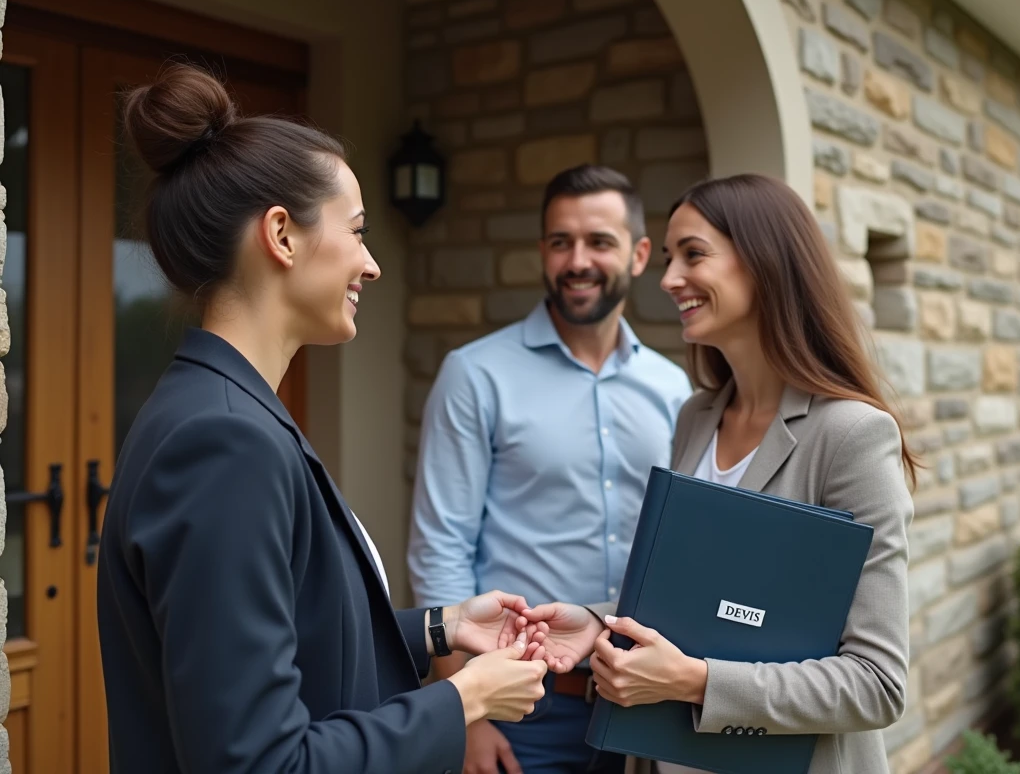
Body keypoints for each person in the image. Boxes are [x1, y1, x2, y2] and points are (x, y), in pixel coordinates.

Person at [95, 63, 549, 774]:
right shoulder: (223, 442)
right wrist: (463, 700)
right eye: (359, 231)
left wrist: (441, 627)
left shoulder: (232, 410)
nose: (371, 264)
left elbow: (296, 639)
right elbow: (258, 762)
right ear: (281, 234)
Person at [518, 173, 917, 774]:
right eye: (671, 256)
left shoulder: (851, 437)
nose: (671, 277)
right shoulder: (696, 416)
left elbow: (877, 682)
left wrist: (696, 681)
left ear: (766, 263)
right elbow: (697, 600)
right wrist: (600, 621)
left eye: (694, 254)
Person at [406, 164, 694, 773]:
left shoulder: (673, 390)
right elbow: (440, 548)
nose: (577, 260)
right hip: (518, 706)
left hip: (640, 704)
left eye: (599, 242)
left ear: (640, 254)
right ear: (542, 251)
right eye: (560, 242)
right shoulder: (476, 375)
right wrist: (469, 712)